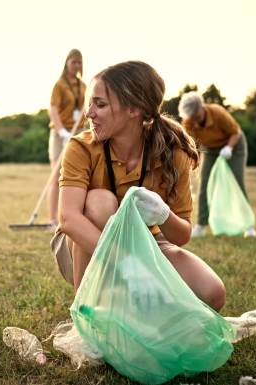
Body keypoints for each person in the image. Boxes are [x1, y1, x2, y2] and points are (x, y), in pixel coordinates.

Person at [50, 61, 226, 311]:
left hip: (147, 241)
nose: (89, 113)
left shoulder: (172, 152)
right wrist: (127, 264)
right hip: (85, 245)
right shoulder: (82, 147)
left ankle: (136, 309)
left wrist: (163, 213)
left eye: (99, 104)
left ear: (133, 109)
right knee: (99, 201)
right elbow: (68, 219)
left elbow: (182, 235)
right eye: (91, 103)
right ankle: (87, 314)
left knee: (212, 293)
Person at [178, 92, 256, 238]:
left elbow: (236, 132)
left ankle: (249, 226)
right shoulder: (189, 121)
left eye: (196, 116)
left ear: (201, 107)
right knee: (204, 185)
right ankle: (201, 225)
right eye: (191, 117)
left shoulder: (218, 113)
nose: (194, 120)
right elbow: (189, 143)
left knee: (237, 183)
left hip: (233, 146)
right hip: (210, 150)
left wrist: (229, 148)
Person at [47, 49, 87, 229]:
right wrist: (62, 131)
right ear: (67, 63)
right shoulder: (59, 85)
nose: (76, 66)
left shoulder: (83, 86)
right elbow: (53, 110)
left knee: (75, 176)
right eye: (73, 62)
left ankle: (72, 217)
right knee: (56, 175)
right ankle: (52, 219)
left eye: (79, 62)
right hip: (60, 133)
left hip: (78, 131)